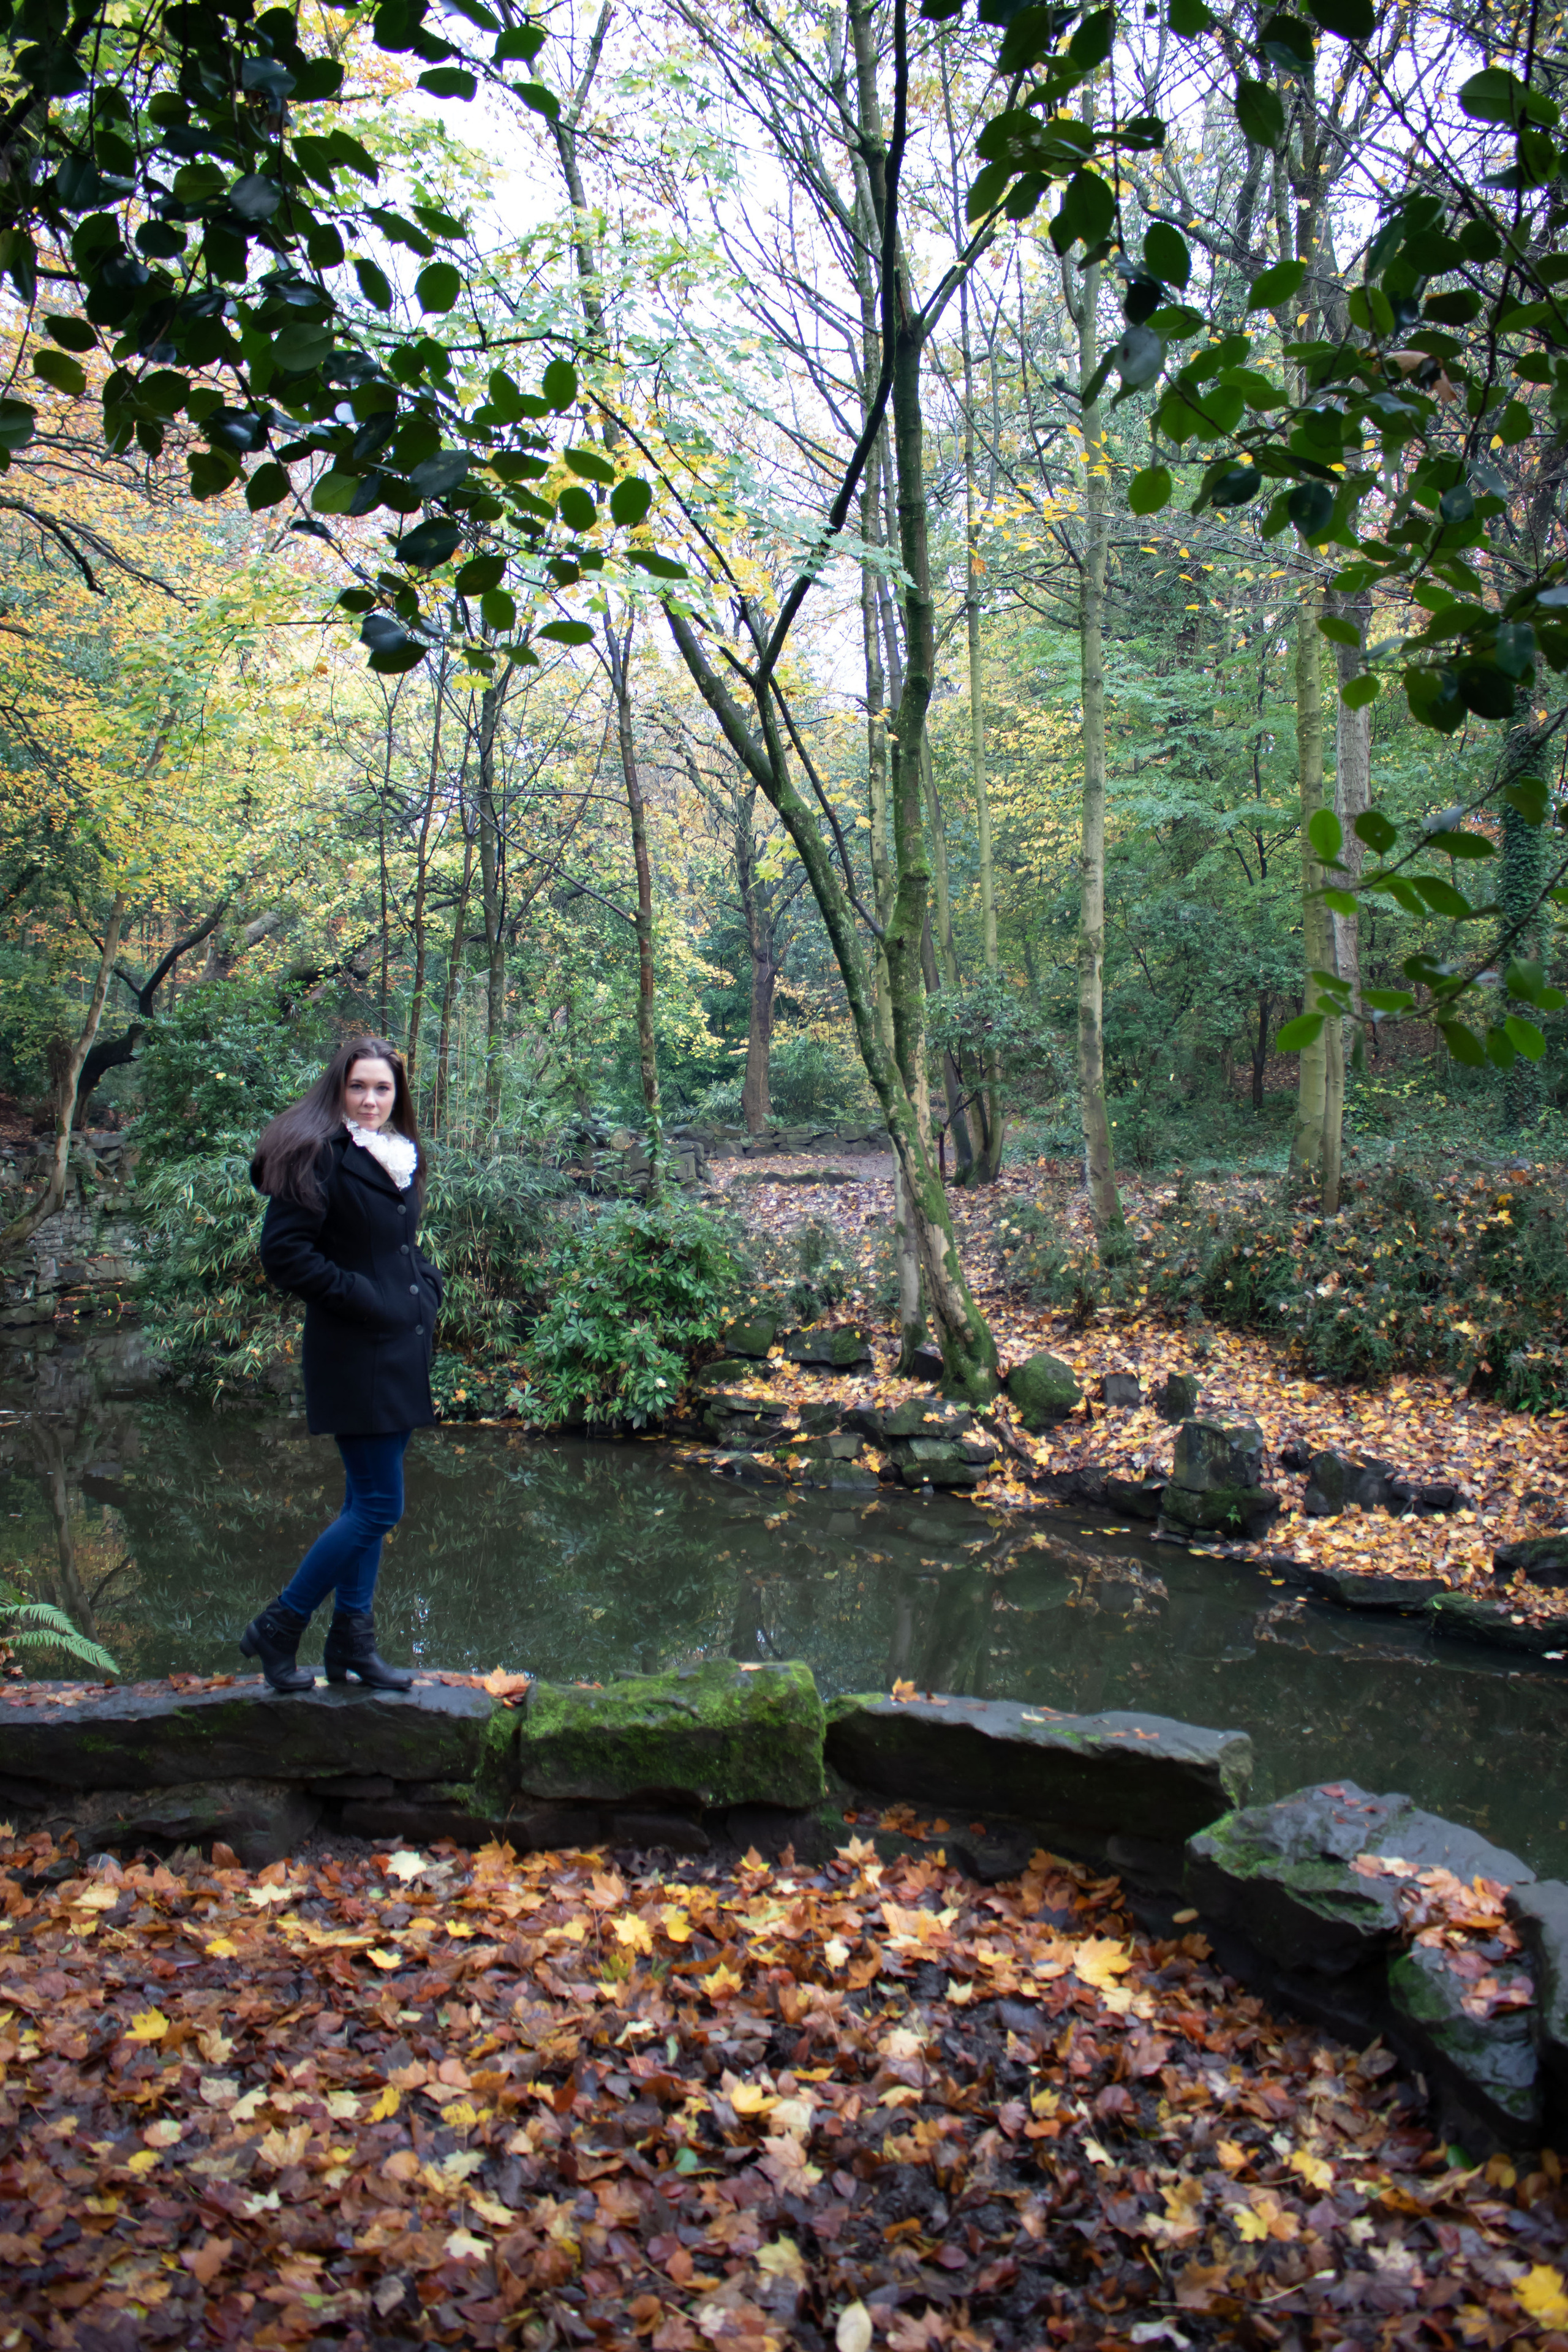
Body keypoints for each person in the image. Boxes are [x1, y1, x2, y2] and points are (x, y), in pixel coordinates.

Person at [241, 1036, 442, 1694]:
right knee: (379, 1506)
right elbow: (286, 1255)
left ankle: (351, 1643)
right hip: (356, 1352)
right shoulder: (319, 1155)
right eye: (359, 1086)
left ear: (397, 1094)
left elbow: (397, 1246)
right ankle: (280, 1624)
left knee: (366, 1501)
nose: (371, 1100)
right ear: (338, 1088)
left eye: (383, 1088)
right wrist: (370, 1299)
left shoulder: (396, 1154)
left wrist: (425, 1286)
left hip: (400, 1348)